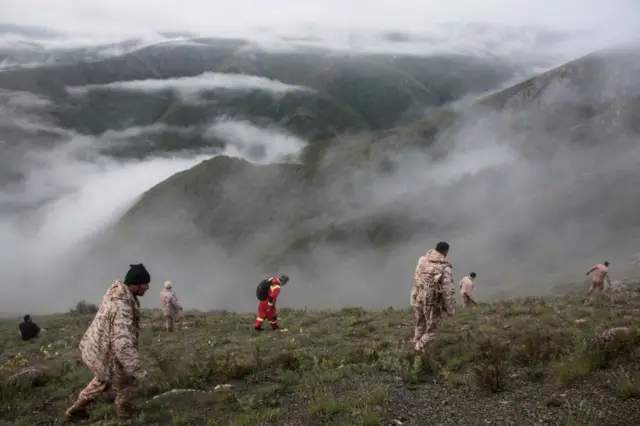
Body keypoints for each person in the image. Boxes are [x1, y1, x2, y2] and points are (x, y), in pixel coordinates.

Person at [65, 263, 151, 420]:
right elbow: (122, 345)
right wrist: (139, 371)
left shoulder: (118, 294)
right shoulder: (122, 306)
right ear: (135, 284)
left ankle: (76, 409)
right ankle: (125, 415)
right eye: (145, 284)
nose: (148, 287)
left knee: (101, 382)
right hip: (110, 351)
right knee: (126, 382)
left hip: (102, 347)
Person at [410, 241, 456, 351]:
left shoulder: (422, 260)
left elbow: (417, 278)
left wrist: (414, 296)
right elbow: (447, 290)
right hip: (432, 302)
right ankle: (419, 348)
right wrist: (450, 309)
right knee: (432, 330)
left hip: (419, 298)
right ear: (446, 252)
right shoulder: (445, 267)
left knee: (421, 321)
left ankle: (416, 339)